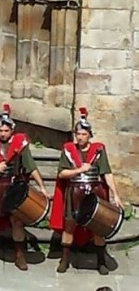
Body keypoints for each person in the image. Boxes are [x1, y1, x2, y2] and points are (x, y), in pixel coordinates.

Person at [0, 104, 48, 270]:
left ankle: (20, 256)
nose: (3, 134)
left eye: (6, 131)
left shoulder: (20, 144)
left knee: (17, 221)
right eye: (0, 130)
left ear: (12, 130)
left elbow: (31, 167)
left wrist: (42, 187)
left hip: (14, 188)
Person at [51, 107, 123, 275]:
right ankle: (65, 259)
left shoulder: (98, 151)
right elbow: (62, 173)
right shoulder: (68, 150)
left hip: (95, 192)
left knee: (98, 228)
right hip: (74, 192)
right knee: (69, 226)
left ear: (89, 134)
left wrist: (115, 194)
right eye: (78, 134)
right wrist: (79, 170)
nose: (80, 137)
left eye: (83, 134)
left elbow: (106, 173)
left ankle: (100, 261)